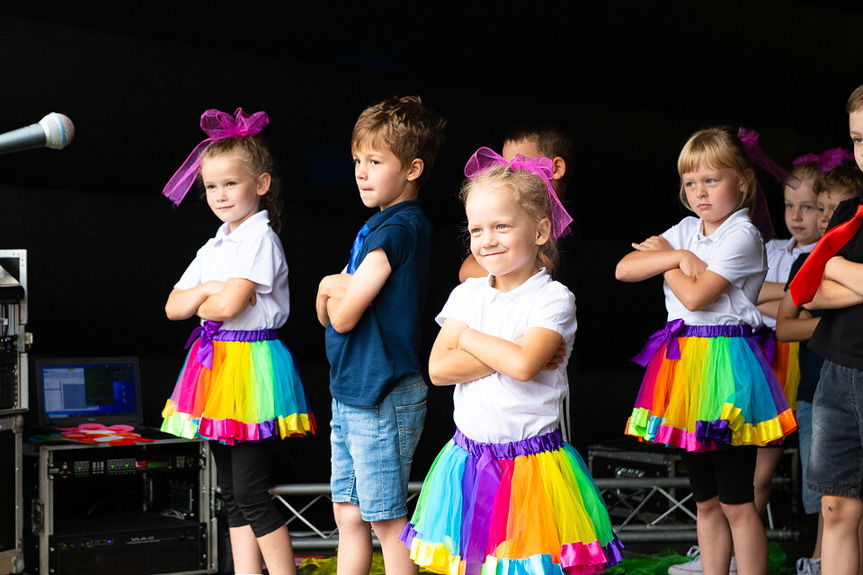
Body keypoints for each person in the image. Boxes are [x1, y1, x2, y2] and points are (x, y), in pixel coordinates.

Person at [401, 146, 622, 574]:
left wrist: (467, 336)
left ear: (540, 231)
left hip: (533, 467)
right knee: (477, 563)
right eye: (476, 230)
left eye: (501, 226)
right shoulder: (467, 294)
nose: (487, 240)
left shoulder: (553, 298)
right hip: (469, 460)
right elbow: (439, 368)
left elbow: (523, 367)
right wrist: (509, 349)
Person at [616, 126, 797, 575]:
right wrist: (675, 256)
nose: (699, 192)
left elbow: (697, 298)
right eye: (690, 182)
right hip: (686, 368)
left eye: (711, 180)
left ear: (742, 181)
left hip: (726, 367)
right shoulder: (684, 229)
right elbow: (623, 269)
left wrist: (671, 260)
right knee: (707, 500)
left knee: (738, 500)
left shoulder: (743, 235)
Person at [159, 108, 315, 575]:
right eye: (211, 186)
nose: (220, 195)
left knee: (250, 490)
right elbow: (173, 305)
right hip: (215, 366)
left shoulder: (259, 239)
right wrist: (211, 290)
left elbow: (228, 308)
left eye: (231, 183)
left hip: (251, 368)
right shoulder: (216, 245)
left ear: (261, 184)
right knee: (229, 491)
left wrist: (206, 296)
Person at [315, 95, 446, 575]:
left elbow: (342, 316)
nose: (361, 172)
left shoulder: (400, 228)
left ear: (411, 169)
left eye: (375, 161)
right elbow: (325, 312)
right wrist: (328, 291)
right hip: (352, 390)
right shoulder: (375, 226)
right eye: (357, 161)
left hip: (383, 392)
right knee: (347, 512)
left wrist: (329, 288)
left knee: (386, 520)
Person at [456, 122, 582, 443]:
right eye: (505, 166)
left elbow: (529, 360)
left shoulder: (562, 232)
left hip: (541, 391)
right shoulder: (502, 237)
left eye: (521, 166)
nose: (511, 174)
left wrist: (469, 339)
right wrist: (507, 354)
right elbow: (467, 271)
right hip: (497, 395)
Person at [787, 83, 863, 574]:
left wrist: (830, 266)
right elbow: (805, 290)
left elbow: (820, 271)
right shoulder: (849, 210)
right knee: (836, 506)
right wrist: (830, 269)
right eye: (858, 139)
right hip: (838, 372)